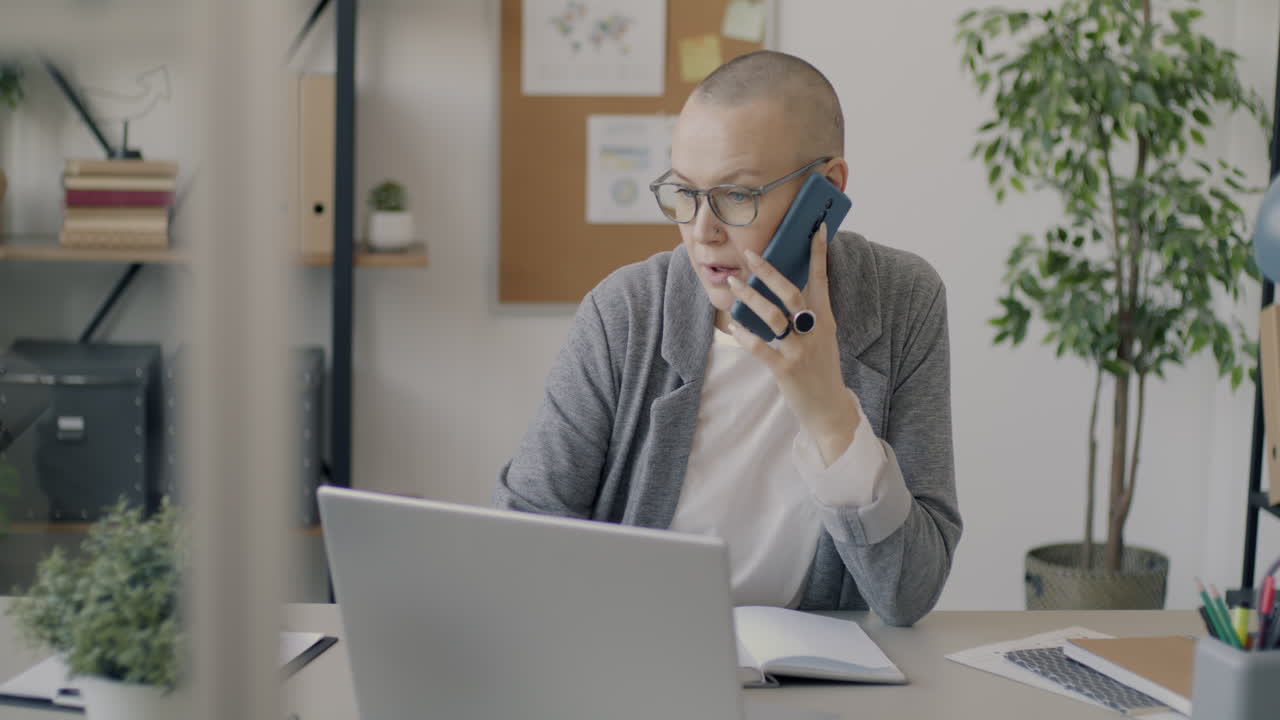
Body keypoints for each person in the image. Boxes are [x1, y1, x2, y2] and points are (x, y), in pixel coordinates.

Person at [494, 50, 960, 626]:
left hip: (820, 685)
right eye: (683, 193)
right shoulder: (626, 314)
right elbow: (524, 541)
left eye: (736, 196)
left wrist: (829, 414)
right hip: (641, 662)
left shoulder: (902, 302)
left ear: (827, 190)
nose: (701, 231)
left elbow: (908, 595)